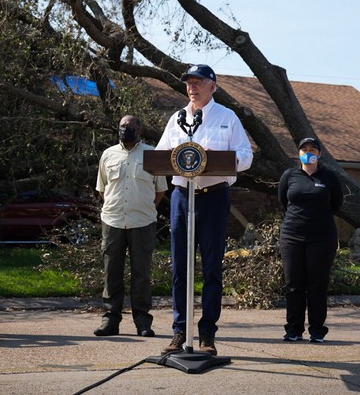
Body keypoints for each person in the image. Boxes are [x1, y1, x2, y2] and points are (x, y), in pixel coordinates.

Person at [155, 64, 253, 356]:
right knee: (180, 268)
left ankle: (207, 335)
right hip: (182, 196)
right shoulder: (177, 119)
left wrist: (219, 159)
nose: (192, 87)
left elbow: (246, 157)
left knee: (211, 268)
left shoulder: (228, 117)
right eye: (189, 83)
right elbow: (160, 155)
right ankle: (179, 331)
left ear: (214, 86)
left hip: (213, 198)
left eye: (199, 82)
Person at [94, 115, 168, 338]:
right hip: (113, 220)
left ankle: (143, 322)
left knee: (141, 274)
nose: (126, 129)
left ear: (140, 131)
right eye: (123, 126)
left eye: (131, 127)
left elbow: (160, 190)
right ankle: (110, 321)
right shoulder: (108, 154)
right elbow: (102, 188)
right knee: (111, 272)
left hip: (142, 222)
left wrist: (144, 208)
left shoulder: (152, 154)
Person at [278, 137, 344, 343]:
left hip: (322, 237)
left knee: (317, 284)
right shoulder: (289, 176)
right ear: (298, 153)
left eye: (312, 149)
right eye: (304, 149)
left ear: (319, 154)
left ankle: (317, 330)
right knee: (293, 284)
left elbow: (337, 203)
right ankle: (294, 330)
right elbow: (283, 201)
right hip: (292, 236)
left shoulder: (330, 177)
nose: (308, 152)